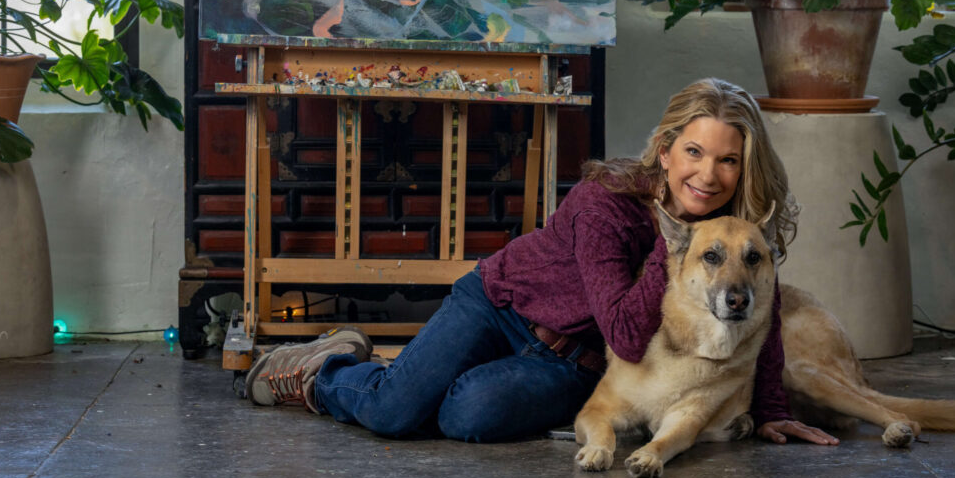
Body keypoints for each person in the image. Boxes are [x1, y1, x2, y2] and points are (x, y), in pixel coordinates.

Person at [245, 77, 839, 447]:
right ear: (665, 151)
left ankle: (419, 379)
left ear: (743, 167)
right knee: (392, 412)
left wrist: (771, 409)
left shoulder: (730, 232)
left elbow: (759, 311)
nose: (708, 174)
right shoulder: (606, 203)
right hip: (498, 306)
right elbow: (628, 333)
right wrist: (672, 244)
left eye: (728, 160)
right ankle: (325, 370)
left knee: (465, 417)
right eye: (693, 152)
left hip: (575, 363)